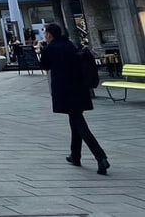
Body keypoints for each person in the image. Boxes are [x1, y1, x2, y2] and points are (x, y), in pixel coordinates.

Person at [39, 23, 110, 175]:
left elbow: (44, 66)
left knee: (79, 124)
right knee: (75, 120)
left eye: (46, 34)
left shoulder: (50, 48)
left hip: (64, 90)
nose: (45, 36)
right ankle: (75, 155)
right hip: (79, 88)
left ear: (50, 35)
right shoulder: (69, 45)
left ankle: (100, 156)